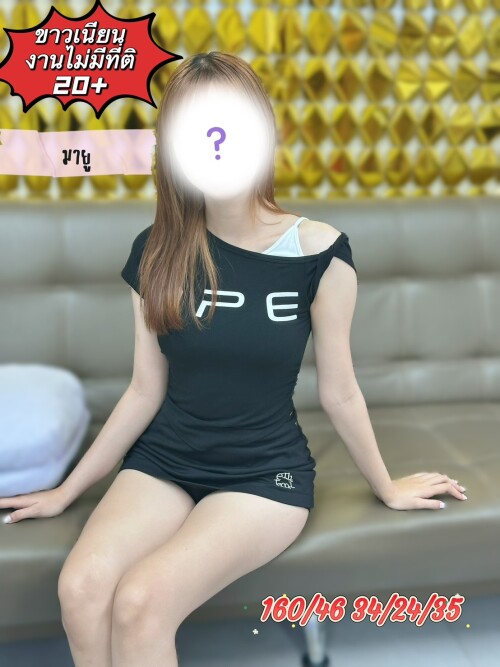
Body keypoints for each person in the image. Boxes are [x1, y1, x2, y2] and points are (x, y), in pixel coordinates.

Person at [0, 52, 467, 667]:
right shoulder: (157, 249)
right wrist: (66, 491)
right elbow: (144, 390)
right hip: (165, 460)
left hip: (263, 475)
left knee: (140, 602)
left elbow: (340, 391)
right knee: (81, 589)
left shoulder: (321, 253)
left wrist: (386, 486)